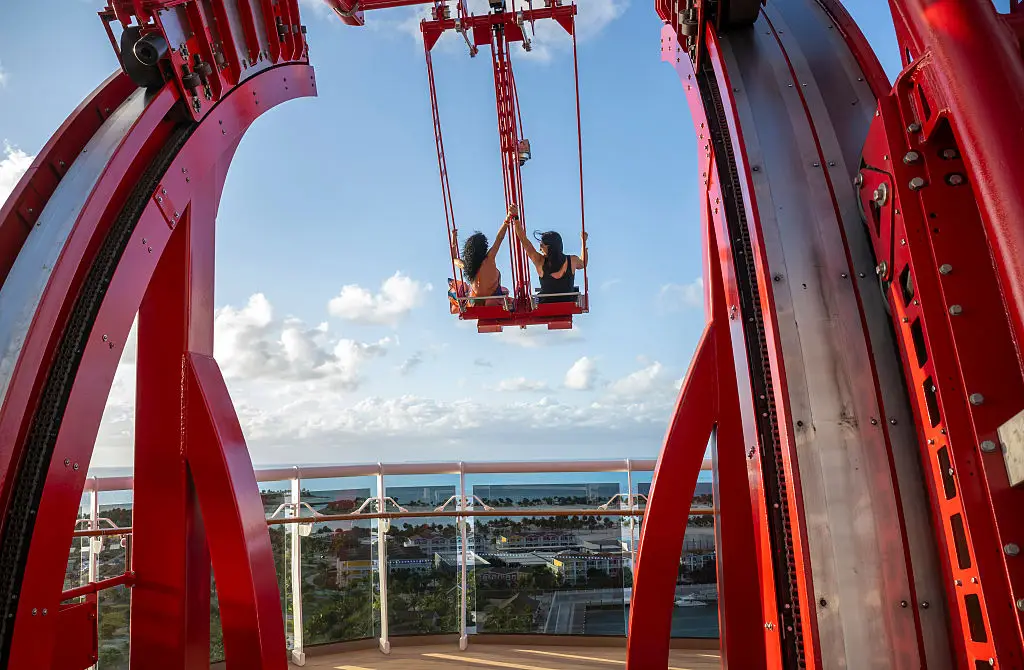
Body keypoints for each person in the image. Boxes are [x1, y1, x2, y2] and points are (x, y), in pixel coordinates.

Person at [449, 205, 516, 307]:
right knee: (504, 290)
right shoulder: (490, 258)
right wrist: (507, 219)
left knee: (466, 288)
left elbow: (454, 259)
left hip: (475, 302)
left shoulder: (466, 265)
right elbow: (499, 238)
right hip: (493, 299)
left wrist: (453, 239)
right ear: (483, 248)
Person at [512, 217, 588, 303]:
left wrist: (516, 219)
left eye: (542, 245)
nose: (540, 249)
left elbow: (524, 241)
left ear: (549, 247)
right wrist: (583, 242)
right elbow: (583, 263)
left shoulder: (539, 261)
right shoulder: (572, 260)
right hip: (567, 300)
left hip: (546, 303)